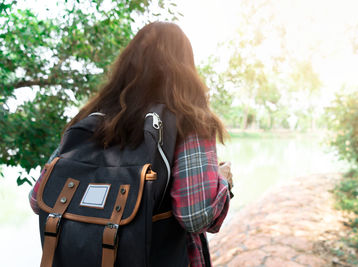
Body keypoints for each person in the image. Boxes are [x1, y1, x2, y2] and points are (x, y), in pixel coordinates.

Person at [29, 21, 233, 267]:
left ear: (127, 64)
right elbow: (196, 216)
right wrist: (223, 181)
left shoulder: (93, 118)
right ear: (186, 67)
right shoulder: (190, 120)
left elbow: (37, 198)